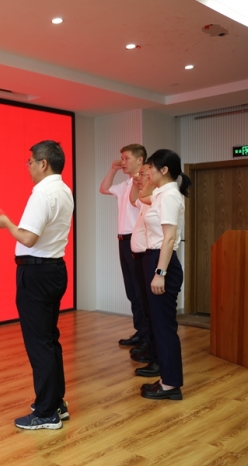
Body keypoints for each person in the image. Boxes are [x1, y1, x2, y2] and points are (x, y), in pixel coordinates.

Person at [0, 140, 74, 430]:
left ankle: (46, 413)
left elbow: (28, 238)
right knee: (49, 339)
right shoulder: (65, 190)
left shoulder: (42, 193)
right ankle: (56, 402)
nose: (27, 167)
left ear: (43, 163)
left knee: (39, 343)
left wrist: (6, 223)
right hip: (55, 270)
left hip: (37, 274)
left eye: (30, 162)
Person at [139, 149, 191, 400]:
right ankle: (167, 380)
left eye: (151, 167)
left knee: (164, 327)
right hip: (155, 259)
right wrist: (149, 181)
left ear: (165, 170)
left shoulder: (170, 196)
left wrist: (160, 272)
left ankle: (171, 386)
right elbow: (143, 196)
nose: (147, 172)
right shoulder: (162, 193)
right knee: (159, 325)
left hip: (163, 263)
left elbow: (169, 238)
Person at [99, 144, 148, 351]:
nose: (123, 162)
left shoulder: (145, 183)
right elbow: (104, 189)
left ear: (140, 160)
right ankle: (140, 331)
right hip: (123, 241)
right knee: (131, 291)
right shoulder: (125, 184)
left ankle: (148, 337)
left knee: (140, 290)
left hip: (137, 241)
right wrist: (113, 169)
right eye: (122, 158)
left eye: (127, 158)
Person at [128, 163, 159, 377]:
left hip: (151, 258)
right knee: (145, 306)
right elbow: (134, 198)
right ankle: (150, 348)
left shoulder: (158, 199)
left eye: (144, 174)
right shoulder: (145, 200)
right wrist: (138, 181)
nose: (139, 177)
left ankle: (155, 356)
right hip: (142, 258)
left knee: (154, 311)